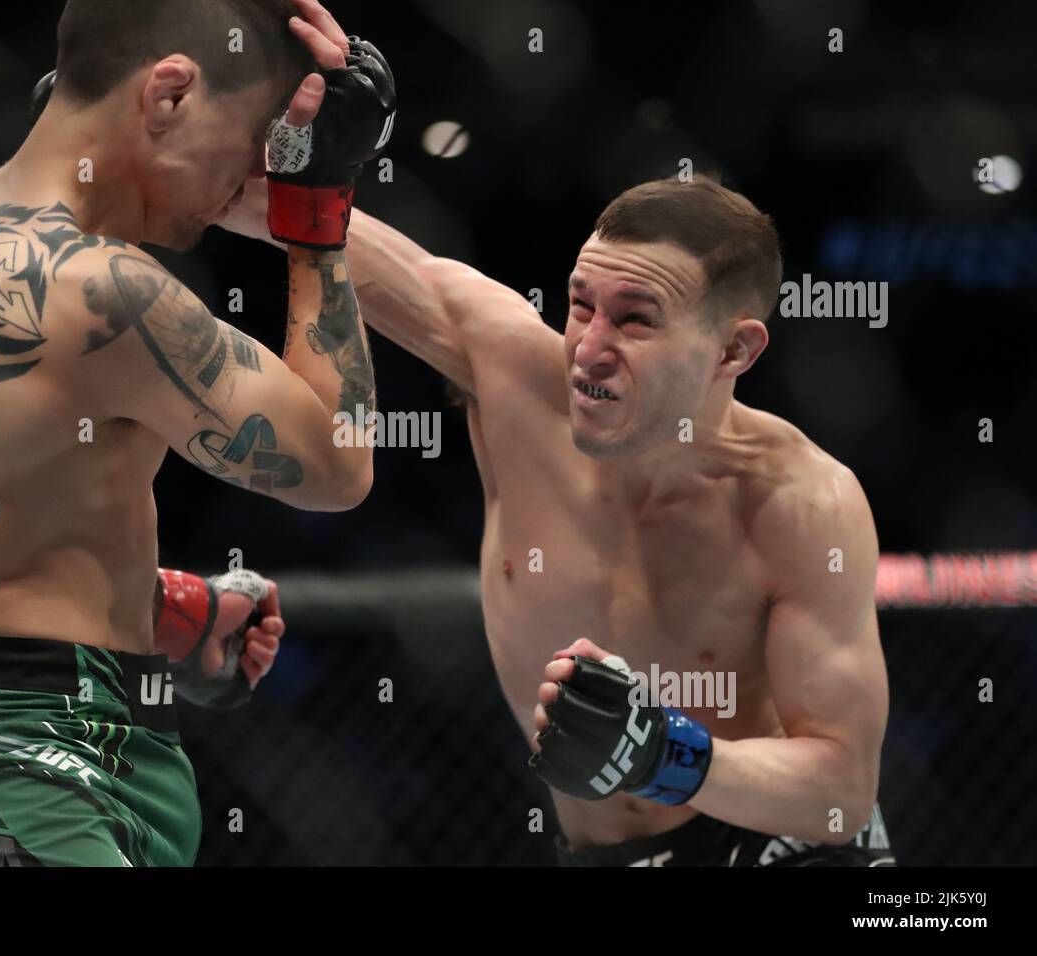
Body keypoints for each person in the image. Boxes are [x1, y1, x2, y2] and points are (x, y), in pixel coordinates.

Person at [221, 89, 893, 862]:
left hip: (776, 843)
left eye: (636, 318)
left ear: (734, 352)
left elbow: (841, 790)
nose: (590, 346)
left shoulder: (803, 502)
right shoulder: (511, 371)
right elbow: (298, 211)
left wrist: (666, 752)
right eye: (581, 305)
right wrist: (125, 131)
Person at [0, 0, 395, 866]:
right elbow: (338, 465)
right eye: (250, 142)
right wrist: (315, 210)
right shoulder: (99, 289)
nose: (244, 183)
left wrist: (154, 611)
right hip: (25, 761)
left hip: (34, 731)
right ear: (170, 93)